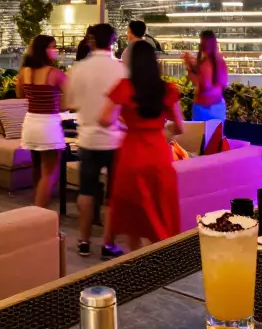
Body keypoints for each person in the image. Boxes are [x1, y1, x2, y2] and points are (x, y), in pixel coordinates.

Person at [101, 40, 182, 253]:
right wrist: (163, 130)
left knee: (133, 214)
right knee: (158, 209)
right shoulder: (166, 90)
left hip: (132, 154)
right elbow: (180, 127)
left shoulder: (124, 88)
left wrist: (125, 124)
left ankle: (134, 257)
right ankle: (157, 256)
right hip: (158, 155)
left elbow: (104, 119)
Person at [64, 23, 127, 259]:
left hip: (87, 138)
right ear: (113, 41)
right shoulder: (120, 69)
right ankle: (108, 244)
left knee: (86, 191)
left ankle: (83, 240)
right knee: (111, 195)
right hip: (115, 139)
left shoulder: (79, 69)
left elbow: (68, 102)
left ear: (91, 41)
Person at [17, 35, 67, 210]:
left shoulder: (25, 72)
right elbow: (70, 100)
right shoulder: (55, 74)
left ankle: (36, 208)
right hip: (48, 125)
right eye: (52, 47)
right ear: (43, 50)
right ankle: (39, 214)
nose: (56, 50)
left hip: (30, 122)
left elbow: (20, 94)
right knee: (51, 173)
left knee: (37, 168)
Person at [182, 30, 228, 121]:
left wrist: (189, 68)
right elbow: (223, 84)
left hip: (202, 108)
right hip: (218, 107)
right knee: (215, 135)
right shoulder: (220, 62)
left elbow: (203, 85)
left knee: (200, 135)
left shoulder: (206, 64)